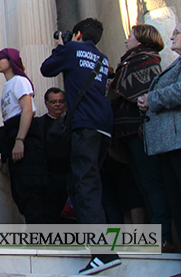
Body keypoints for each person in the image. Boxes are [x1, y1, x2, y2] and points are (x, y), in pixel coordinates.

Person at [41, 18, 119, 275]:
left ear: (76, 34)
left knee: (85, 186)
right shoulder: (102, 58)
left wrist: (60, 46)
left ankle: (104, 253)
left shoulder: (72, 49)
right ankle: (97, 240)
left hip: (84, 126)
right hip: (104, 126)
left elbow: (47, 68)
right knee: (84, 184)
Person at [108, 24, 171, 250]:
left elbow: (127, 90)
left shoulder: (146, 60)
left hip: (140, 132)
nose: (126, 40)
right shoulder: (130, 61)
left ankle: (163, 237)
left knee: (152, 185)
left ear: (142, 39)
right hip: (128, 134)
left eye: (130, 36)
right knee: (142, 186)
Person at [0, 48, 43, 223]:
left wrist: (20, 140)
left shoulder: (20, 81)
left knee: (30, 187)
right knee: (20, 190)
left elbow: (27, 111)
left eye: (0, 59)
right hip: (12, 135)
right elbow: (7, 124)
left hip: (24, 138)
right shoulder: (8, 85)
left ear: (10, 61)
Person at [138, 22, 181, 254]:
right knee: (175, 201)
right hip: (169, 144)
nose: (172, 36)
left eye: (177, 32)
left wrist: (151, 98)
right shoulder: (176, 64)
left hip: (177, 142)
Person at [31, 88, 71, 223]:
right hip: (47, 179)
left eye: (61, 101)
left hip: (69, 177)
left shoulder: (72, 123)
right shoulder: (37, 124)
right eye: (53, 102)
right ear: (46, 103)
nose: (57, 104)